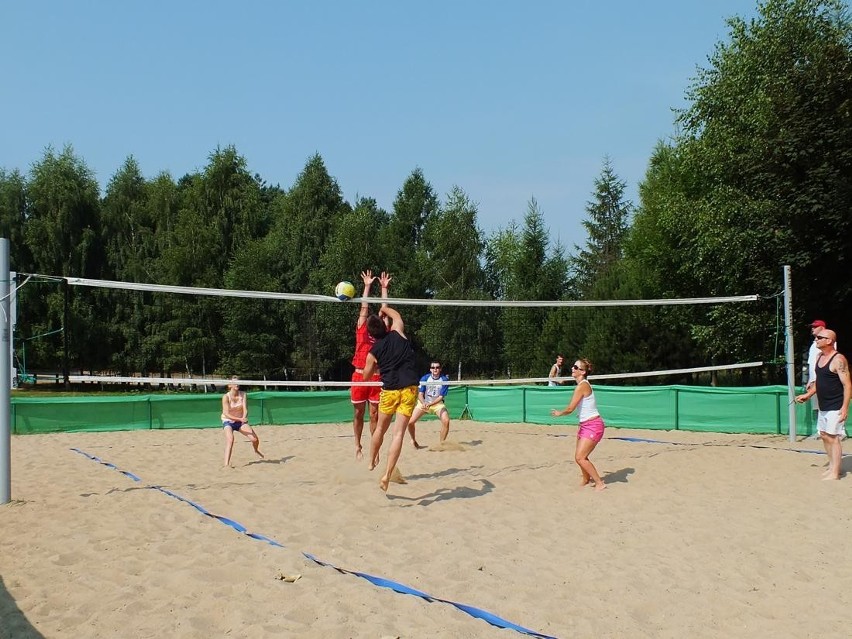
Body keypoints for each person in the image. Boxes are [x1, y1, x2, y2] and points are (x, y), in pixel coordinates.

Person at [362, 301, 419, 492]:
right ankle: (387, 475)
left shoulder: (374, 351)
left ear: (371, 335)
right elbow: (396, 315)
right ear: (386, 325)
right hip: (409, 389)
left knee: (379, 430)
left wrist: (378, 365)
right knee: (398, 434)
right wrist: (383, 308)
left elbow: (366, 376)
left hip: (390, 391)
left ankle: (371, 462)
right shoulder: (398, 332)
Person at [796, 329, 850, 480]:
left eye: (820, 337)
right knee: (825, 435)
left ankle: (835, 473)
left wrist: (845, 407)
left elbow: (847, 385)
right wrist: (808, 395)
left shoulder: (839, 360)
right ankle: (833, 467)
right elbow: (820, 382)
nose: (816, 339)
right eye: (816, 337)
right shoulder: (820, 357)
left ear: (829, 341)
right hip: (823, 404)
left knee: (834, 437)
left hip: (836, 405)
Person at [350, 270, 390, 460]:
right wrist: (367, 286)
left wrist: (384, 288)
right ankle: (358, 445)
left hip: (376, 377)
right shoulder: (361, 330)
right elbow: (364, 308)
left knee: (374, 414)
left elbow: (385, 309)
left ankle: (375, 449)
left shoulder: (384, 334)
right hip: (359, 376)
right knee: (359, 414)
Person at [550, 358, 606, 491]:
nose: (572, 369)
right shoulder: (582, 385)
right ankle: (586, 479)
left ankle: (599, 483)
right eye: (573, 366)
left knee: (580, 457)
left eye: (575, 367)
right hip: (585, 424)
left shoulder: (582, 386)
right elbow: (585, 406)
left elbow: (570, 408)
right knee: (580, 456)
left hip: (593, 425)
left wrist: (560, 413)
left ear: (582, 371)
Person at [407, 361, 451, 449]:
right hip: (424, 403)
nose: (435, 369)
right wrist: (424, 403)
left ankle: (441, 444)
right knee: (410, 422)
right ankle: (413, 440)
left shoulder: (444, 380)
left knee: (446, 421)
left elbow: (441, 397)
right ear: (430, 369)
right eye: (433, 367)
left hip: (437, 404)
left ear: (440, 369)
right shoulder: (425, 378)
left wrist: (430, 404)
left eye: (437, 367)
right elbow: (420, 394)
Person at [805, 320, 838, 439]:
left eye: (815, 327)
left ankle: (839, 432)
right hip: (816, 380)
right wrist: (810, 379)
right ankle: (821, 431)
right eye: (812, 327)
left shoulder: (828, 342)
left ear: (822, 328)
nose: (812, 329)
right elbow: (812, 364)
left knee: (832, 407)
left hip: (826, 380)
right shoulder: (814, 345)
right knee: (819, 406)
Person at [221, 376, 263, 467]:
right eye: (234, 383)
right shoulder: (225, 397)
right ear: (229, 385)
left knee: (254, 439)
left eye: (238, 382)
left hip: (240, 421)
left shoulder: (243, 394)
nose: (237, 384)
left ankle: (256, 450)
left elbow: (245, 409)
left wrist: (243, 418)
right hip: (228, 421)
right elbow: (226, 413)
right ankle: (226, 465)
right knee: (230, 440)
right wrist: (240, 419)